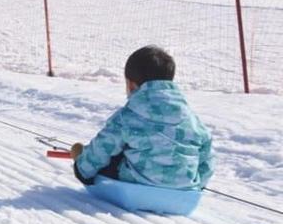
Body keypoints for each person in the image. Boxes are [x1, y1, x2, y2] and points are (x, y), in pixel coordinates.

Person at [70, 45, 214, 190]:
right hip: (184, 191)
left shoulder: (127, 116)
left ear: (131, 85)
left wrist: (82, 170)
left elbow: (103, 147)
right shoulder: (191, 119)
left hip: (137, 185)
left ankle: (82, 159)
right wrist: (198, 185)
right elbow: (207, 158)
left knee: (108, 155)